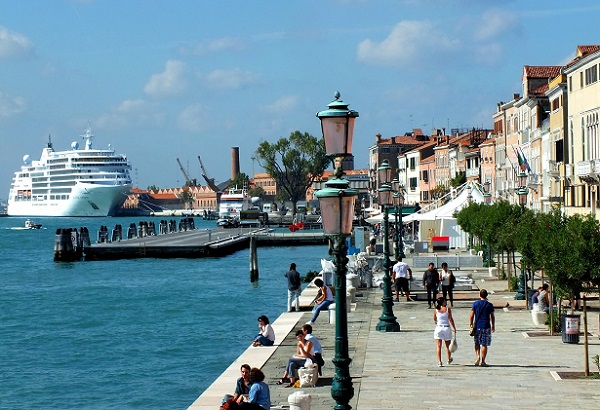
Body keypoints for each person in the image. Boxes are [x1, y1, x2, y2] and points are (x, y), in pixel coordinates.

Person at [470, 289, 495, 367]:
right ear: (486, 295)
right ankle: (483, 361)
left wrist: (471, 324)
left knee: (477, 342)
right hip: (486, 326)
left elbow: (471, 315)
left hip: (477, 326)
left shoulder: (475, 304)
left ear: (479, 295)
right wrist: (493, 325)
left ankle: (478, 356)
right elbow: (492, 316)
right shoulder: (489, 305)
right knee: (484, 344)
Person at [433, 296, 457, 367]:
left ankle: (440, 361)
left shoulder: (436, 310)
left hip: (438, 328)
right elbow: (451, 319)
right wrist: (454, 328)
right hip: (446, 328)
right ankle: (449, 359)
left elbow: (434, 319)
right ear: (443, 302)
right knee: (447, 345)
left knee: (438, 346)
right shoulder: (447, 309)